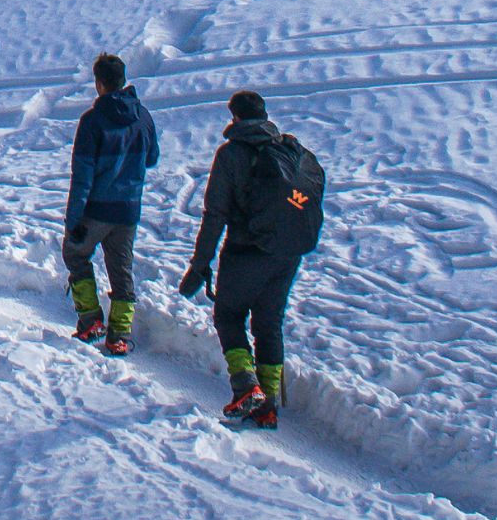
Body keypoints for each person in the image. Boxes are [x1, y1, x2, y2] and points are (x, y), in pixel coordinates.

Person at [177, 89, 324, 430]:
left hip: (246, 251)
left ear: (235, 117)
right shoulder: (291, 151)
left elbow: (215, 214)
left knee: (229, 316)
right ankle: (268, 405)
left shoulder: (231, 155)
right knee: (269, 323)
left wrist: (200, 264)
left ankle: (246, 387)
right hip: (288, 253)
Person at [63, 52, 159, 355]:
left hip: (97, 209)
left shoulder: (92, 121)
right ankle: (120, 335)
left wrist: (73, 220)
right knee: (122, 270)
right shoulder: (142, 115)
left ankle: (91, 320)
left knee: (75, 255)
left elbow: (82, 175)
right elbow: (153, 158)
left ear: (99, 83)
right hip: (129, 209)